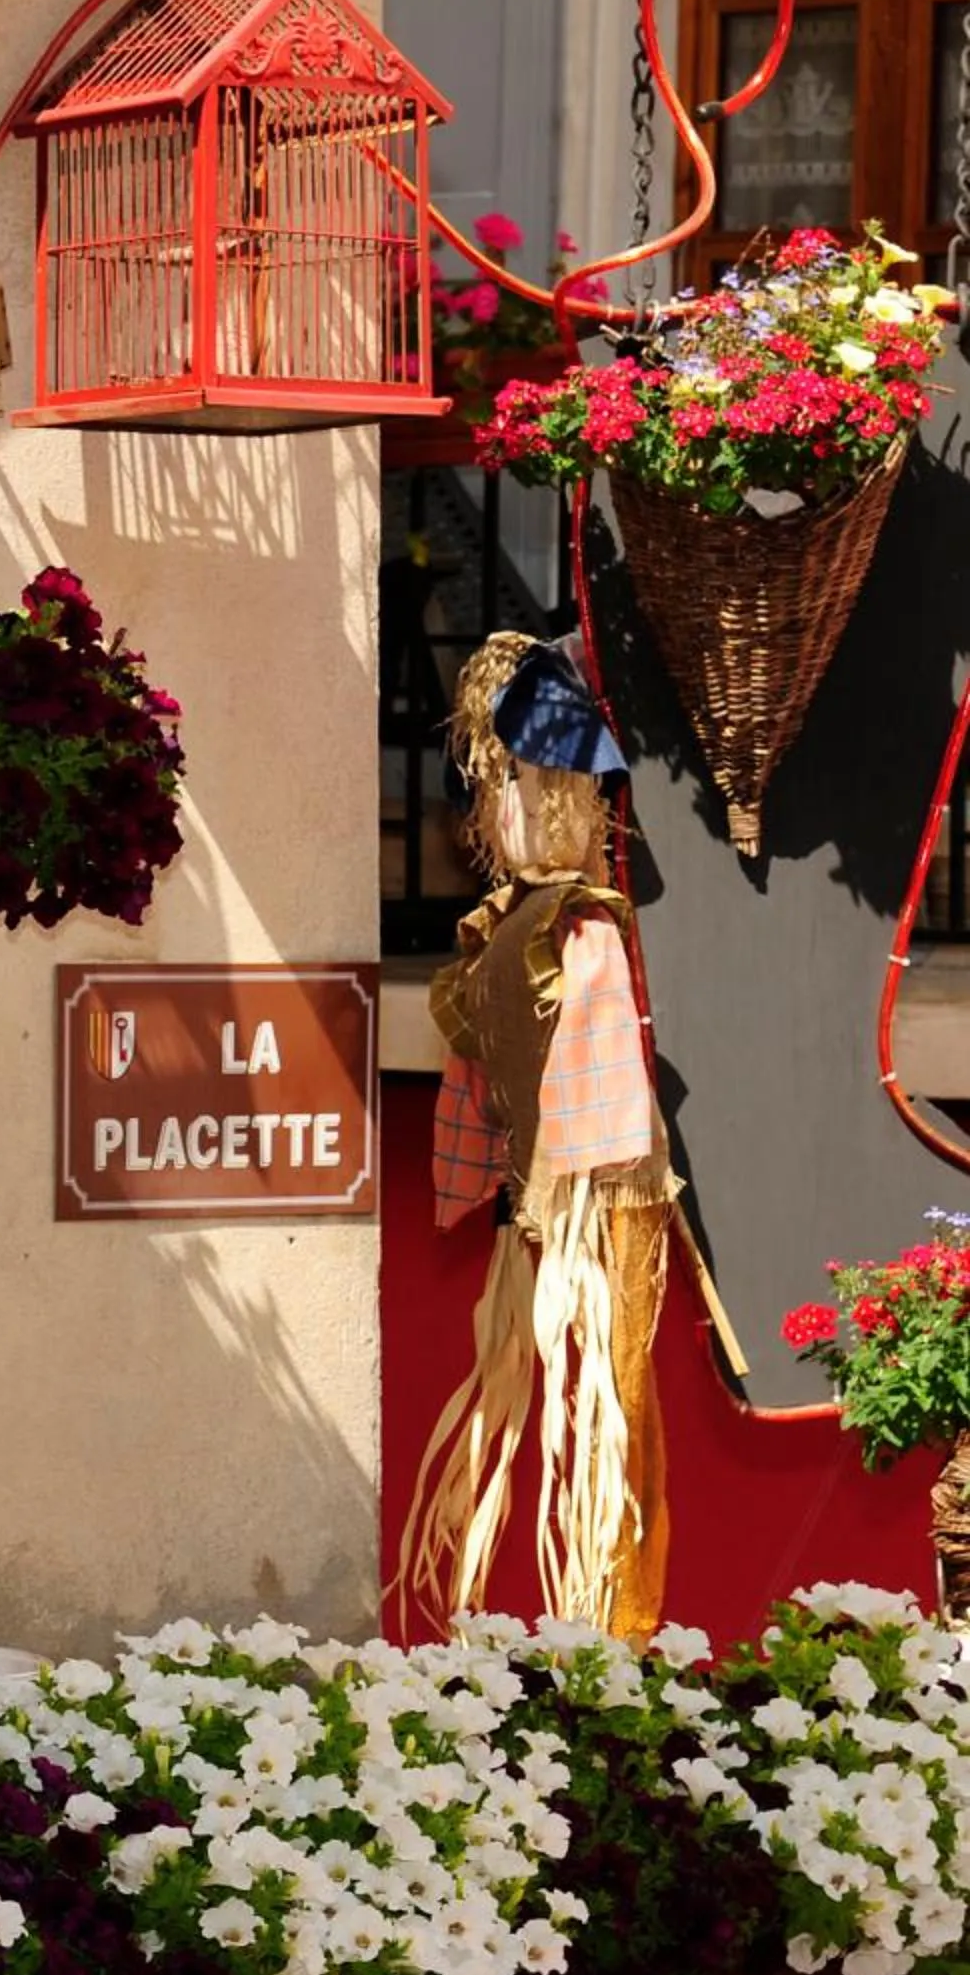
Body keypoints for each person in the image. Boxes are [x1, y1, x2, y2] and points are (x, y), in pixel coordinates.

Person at [396, 632, 678, 1640]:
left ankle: (616, 1618)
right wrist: (491, 1183)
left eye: (521, 780)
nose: (503, 809)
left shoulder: (584, 932)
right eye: (496, 783)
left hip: (592, 1218)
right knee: (560, 1409)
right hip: (547, 1216)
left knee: (605, 1426)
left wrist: (568, 1199)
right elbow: (483, 1078)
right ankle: (596, 1621)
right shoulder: (511, 926)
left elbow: (603, 1107)